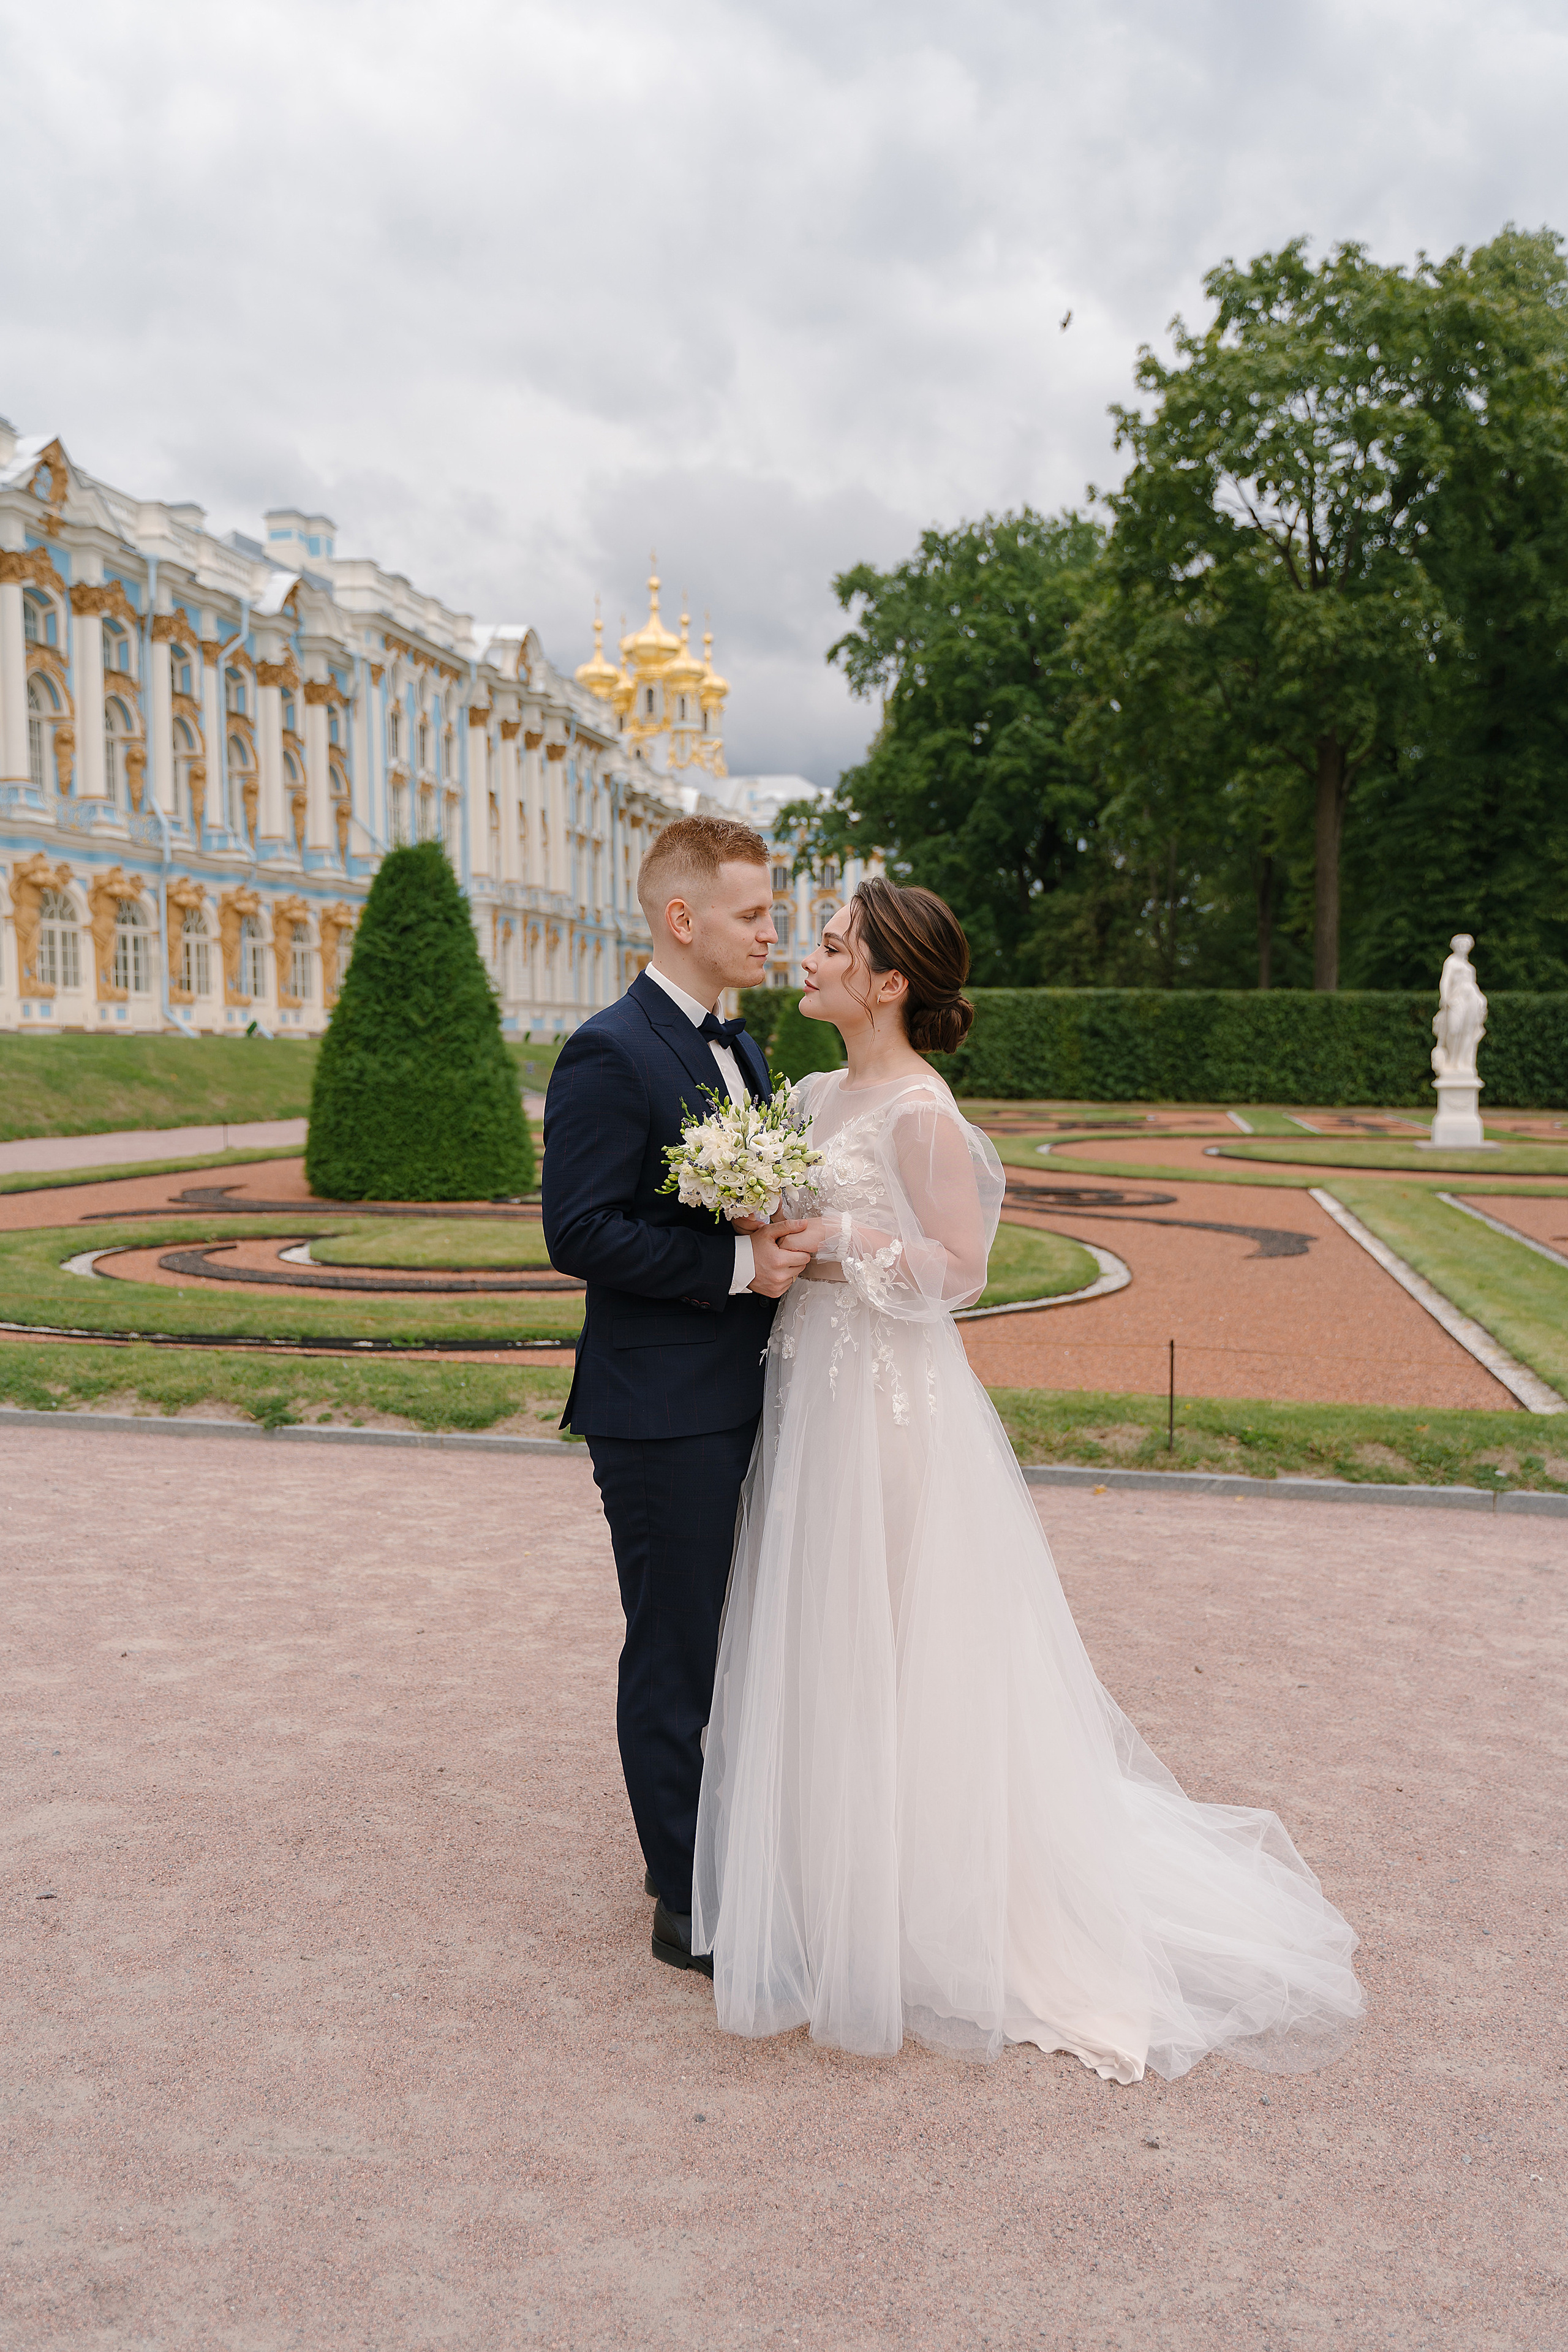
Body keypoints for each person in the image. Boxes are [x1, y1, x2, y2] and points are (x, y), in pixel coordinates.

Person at [691, 878, 1364, 2082]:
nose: (809, 956)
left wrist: (837, 1239)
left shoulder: (918, 1109)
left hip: (888, 1403)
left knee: (904, 1630)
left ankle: (926, 1902)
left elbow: (959, 1267)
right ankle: (829, 1884)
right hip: (805, 1385)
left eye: (833, 946)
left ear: (887, 982)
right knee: (823, 1625)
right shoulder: (800, 1094)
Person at [542, 815, 812, 1979]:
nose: (773, 932)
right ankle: (683, 1899)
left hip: (751, 1390)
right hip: (661, 1411)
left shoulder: (739, 1048)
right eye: (754, 914)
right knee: (674, 1649)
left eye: (774, 912)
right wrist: (736, 1269)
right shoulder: (611, 1049)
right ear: (682, 917)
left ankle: (737, 1853)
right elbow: (579, 1230)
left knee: (746, 1640)